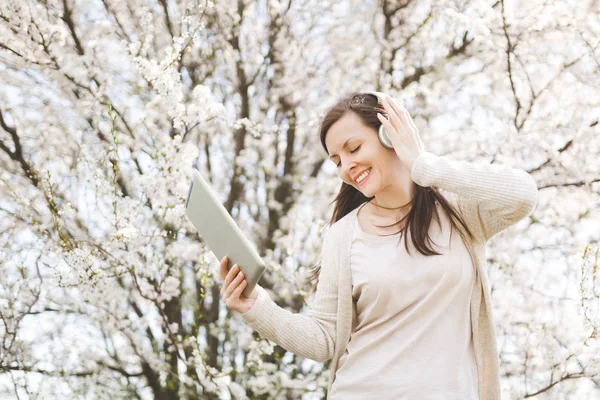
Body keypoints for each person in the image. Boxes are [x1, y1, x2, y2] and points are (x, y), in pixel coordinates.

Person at [218, 92, 538, 399]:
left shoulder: (460, 211)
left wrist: (423, 165)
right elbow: (324, 338)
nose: (346, 166)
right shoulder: (343, 235)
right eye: (336, 160)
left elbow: (522, 195)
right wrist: (256, 306)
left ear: (390, 135)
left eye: (354, 148)